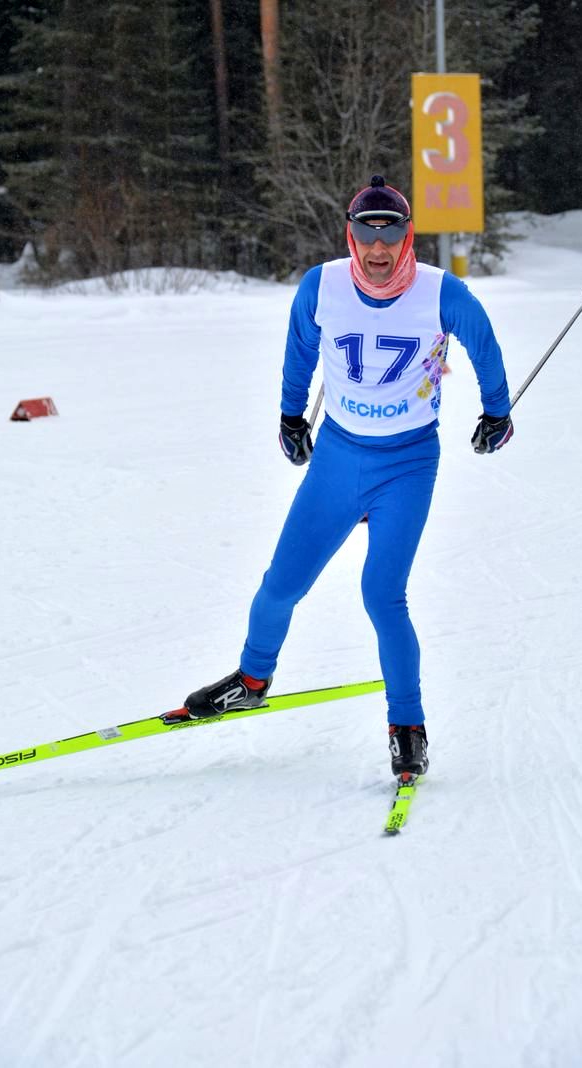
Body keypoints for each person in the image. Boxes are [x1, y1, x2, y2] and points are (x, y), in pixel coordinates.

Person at [169, 175, 514, 780]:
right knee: (280, 586)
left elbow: (483, 346)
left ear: (407, 237)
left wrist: (497, 413)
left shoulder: (441, 292)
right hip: (337, 458)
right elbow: (300, 350)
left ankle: (407, 726)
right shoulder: (322, 285)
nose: (379, 250)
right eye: (366, 235)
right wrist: (290, 416)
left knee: (382, 594)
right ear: (351, 236)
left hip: (407, 463)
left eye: (391, 236)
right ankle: (252, 679)